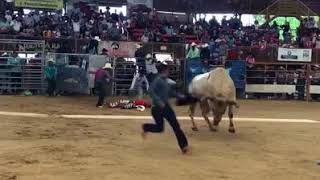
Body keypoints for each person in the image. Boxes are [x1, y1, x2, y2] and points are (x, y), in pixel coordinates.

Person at [142, 62, 190, 154]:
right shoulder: (158, 80)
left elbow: (171, 92)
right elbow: (151, 91)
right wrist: (159, 101)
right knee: (160, 128)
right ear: (164, 70)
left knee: (176, 126)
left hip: (166, 107)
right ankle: (146, 127)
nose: (169, 71)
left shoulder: (165, 80)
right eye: (168, 70)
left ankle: (184, 146)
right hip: (157, 108)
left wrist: (181, 96)